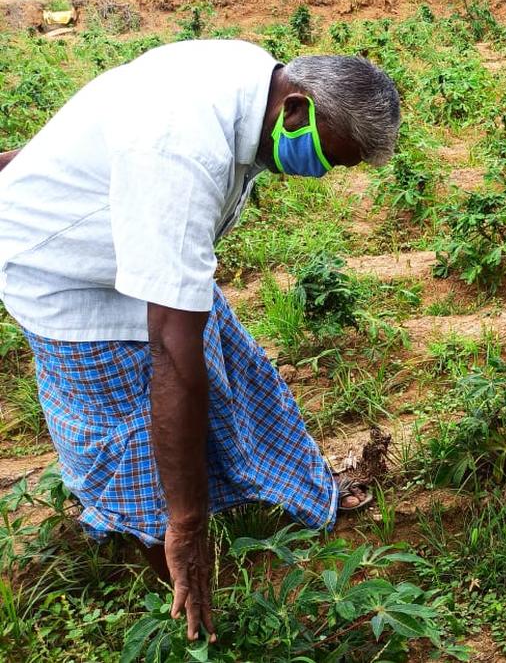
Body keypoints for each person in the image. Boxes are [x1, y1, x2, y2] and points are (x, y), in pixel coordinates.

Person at [0, 40, 400, 643]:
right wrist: (187, 522)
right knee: (134, 425)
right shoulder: (180, 153)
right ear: (293, 109)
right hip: (64, 275)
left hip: (128, 231)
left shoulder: (249, 76)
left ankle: (291, 493)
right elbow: (169, 348)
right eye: (329, 158)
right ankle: (183, 592)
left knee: (230, 373)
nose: (323, 173)